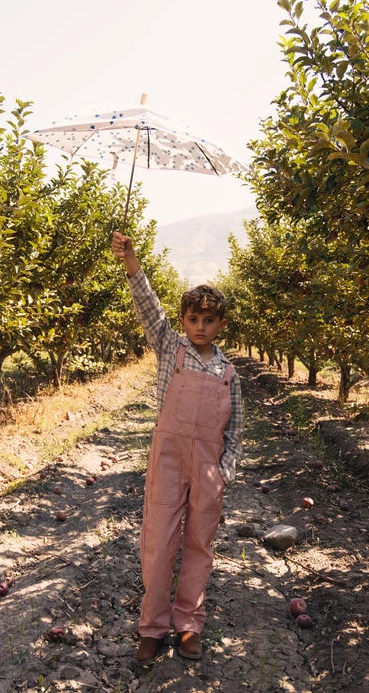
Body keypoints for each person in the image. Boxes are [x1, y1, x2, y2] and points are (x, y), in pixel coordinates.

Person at [111, 230, 244, 664]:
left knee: (199, 546)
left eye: (209, 320)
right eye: (193, 319)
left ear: (221, 325)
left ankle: (189, 625)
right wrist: (130, 260)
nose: (200, 326)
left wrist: (225, 471)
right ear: (183, 321)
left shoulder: (229, 373)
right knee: (159, 543)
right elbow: (147, 305)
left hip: (207, 469)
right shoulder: (171, 349)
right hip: (168, 461)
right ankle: (151, 627)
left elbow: (235, 431)